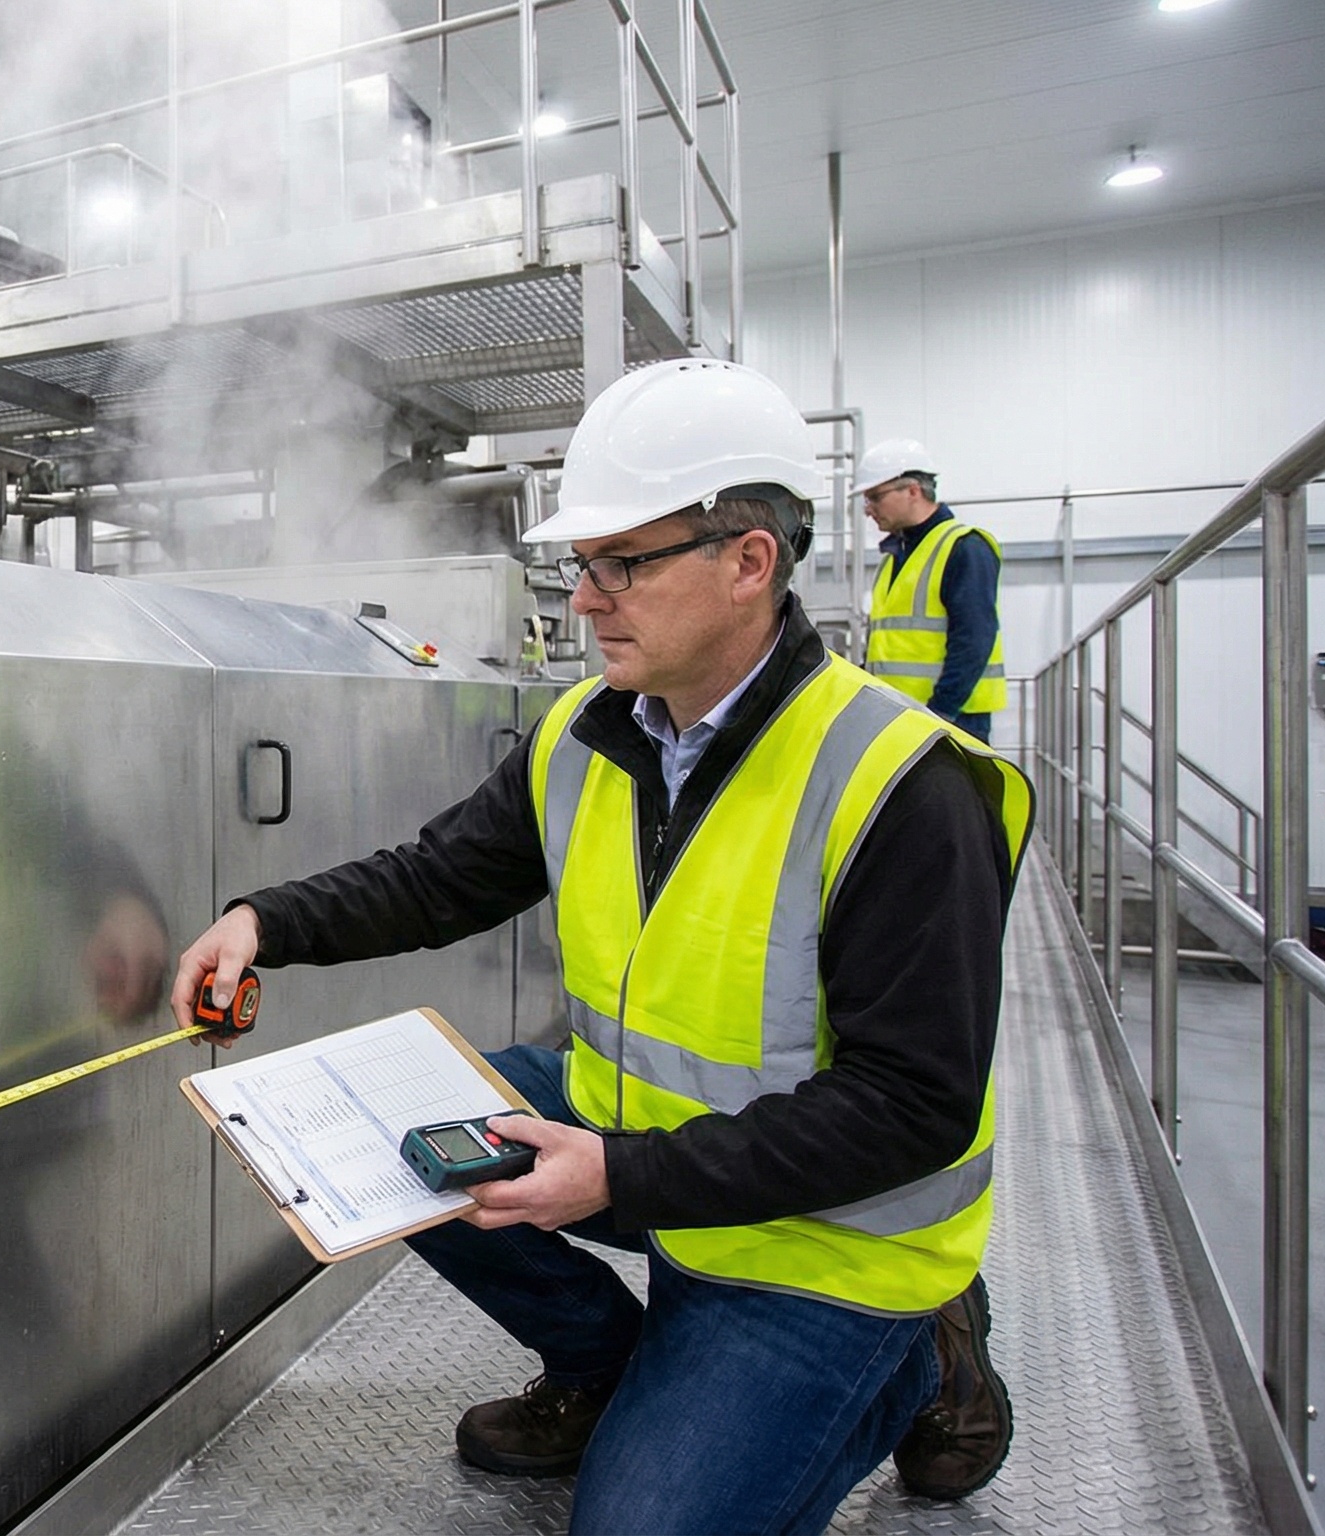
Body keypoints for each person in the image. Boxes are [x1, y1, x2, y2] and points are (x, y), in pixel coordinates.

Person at [168, 360, 1030, 1533]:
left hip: (819, 1238)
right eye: (578, 566)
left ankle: (918, 1359)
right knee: (383, 1133)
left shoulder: (906, 787)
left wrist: (617, 1176)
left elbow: (910, 1105)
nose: (584, 600)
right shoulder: (590, 731)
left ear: (748, 562)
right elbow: (440, 878)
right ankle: (609, 1367)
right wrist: (264, 920)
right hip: (640, 1141)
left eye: (622, 563)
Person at [858, 440, 1005, 741]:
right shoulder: (893, 558)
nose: (868, 510)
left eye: (875, 497)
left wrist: (940, 715)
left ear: (913, 490)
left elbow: (974, 640)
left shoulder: (963, 547)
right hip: (900, 718)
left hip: (950, 720)